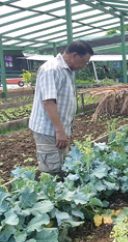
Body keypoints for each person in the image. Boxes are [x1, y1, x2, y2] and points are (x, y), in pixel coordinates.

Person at [29, 40, 93, 174]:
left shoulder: (68, 70)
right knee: (51, 168)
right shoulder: (51, 69)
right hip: (48, 130)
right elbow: (48, 102)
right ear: (75, 55)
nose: (84, 66)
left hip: (60, 129)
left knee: (62, 163)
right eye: (85, 62)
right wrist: (59, 131)